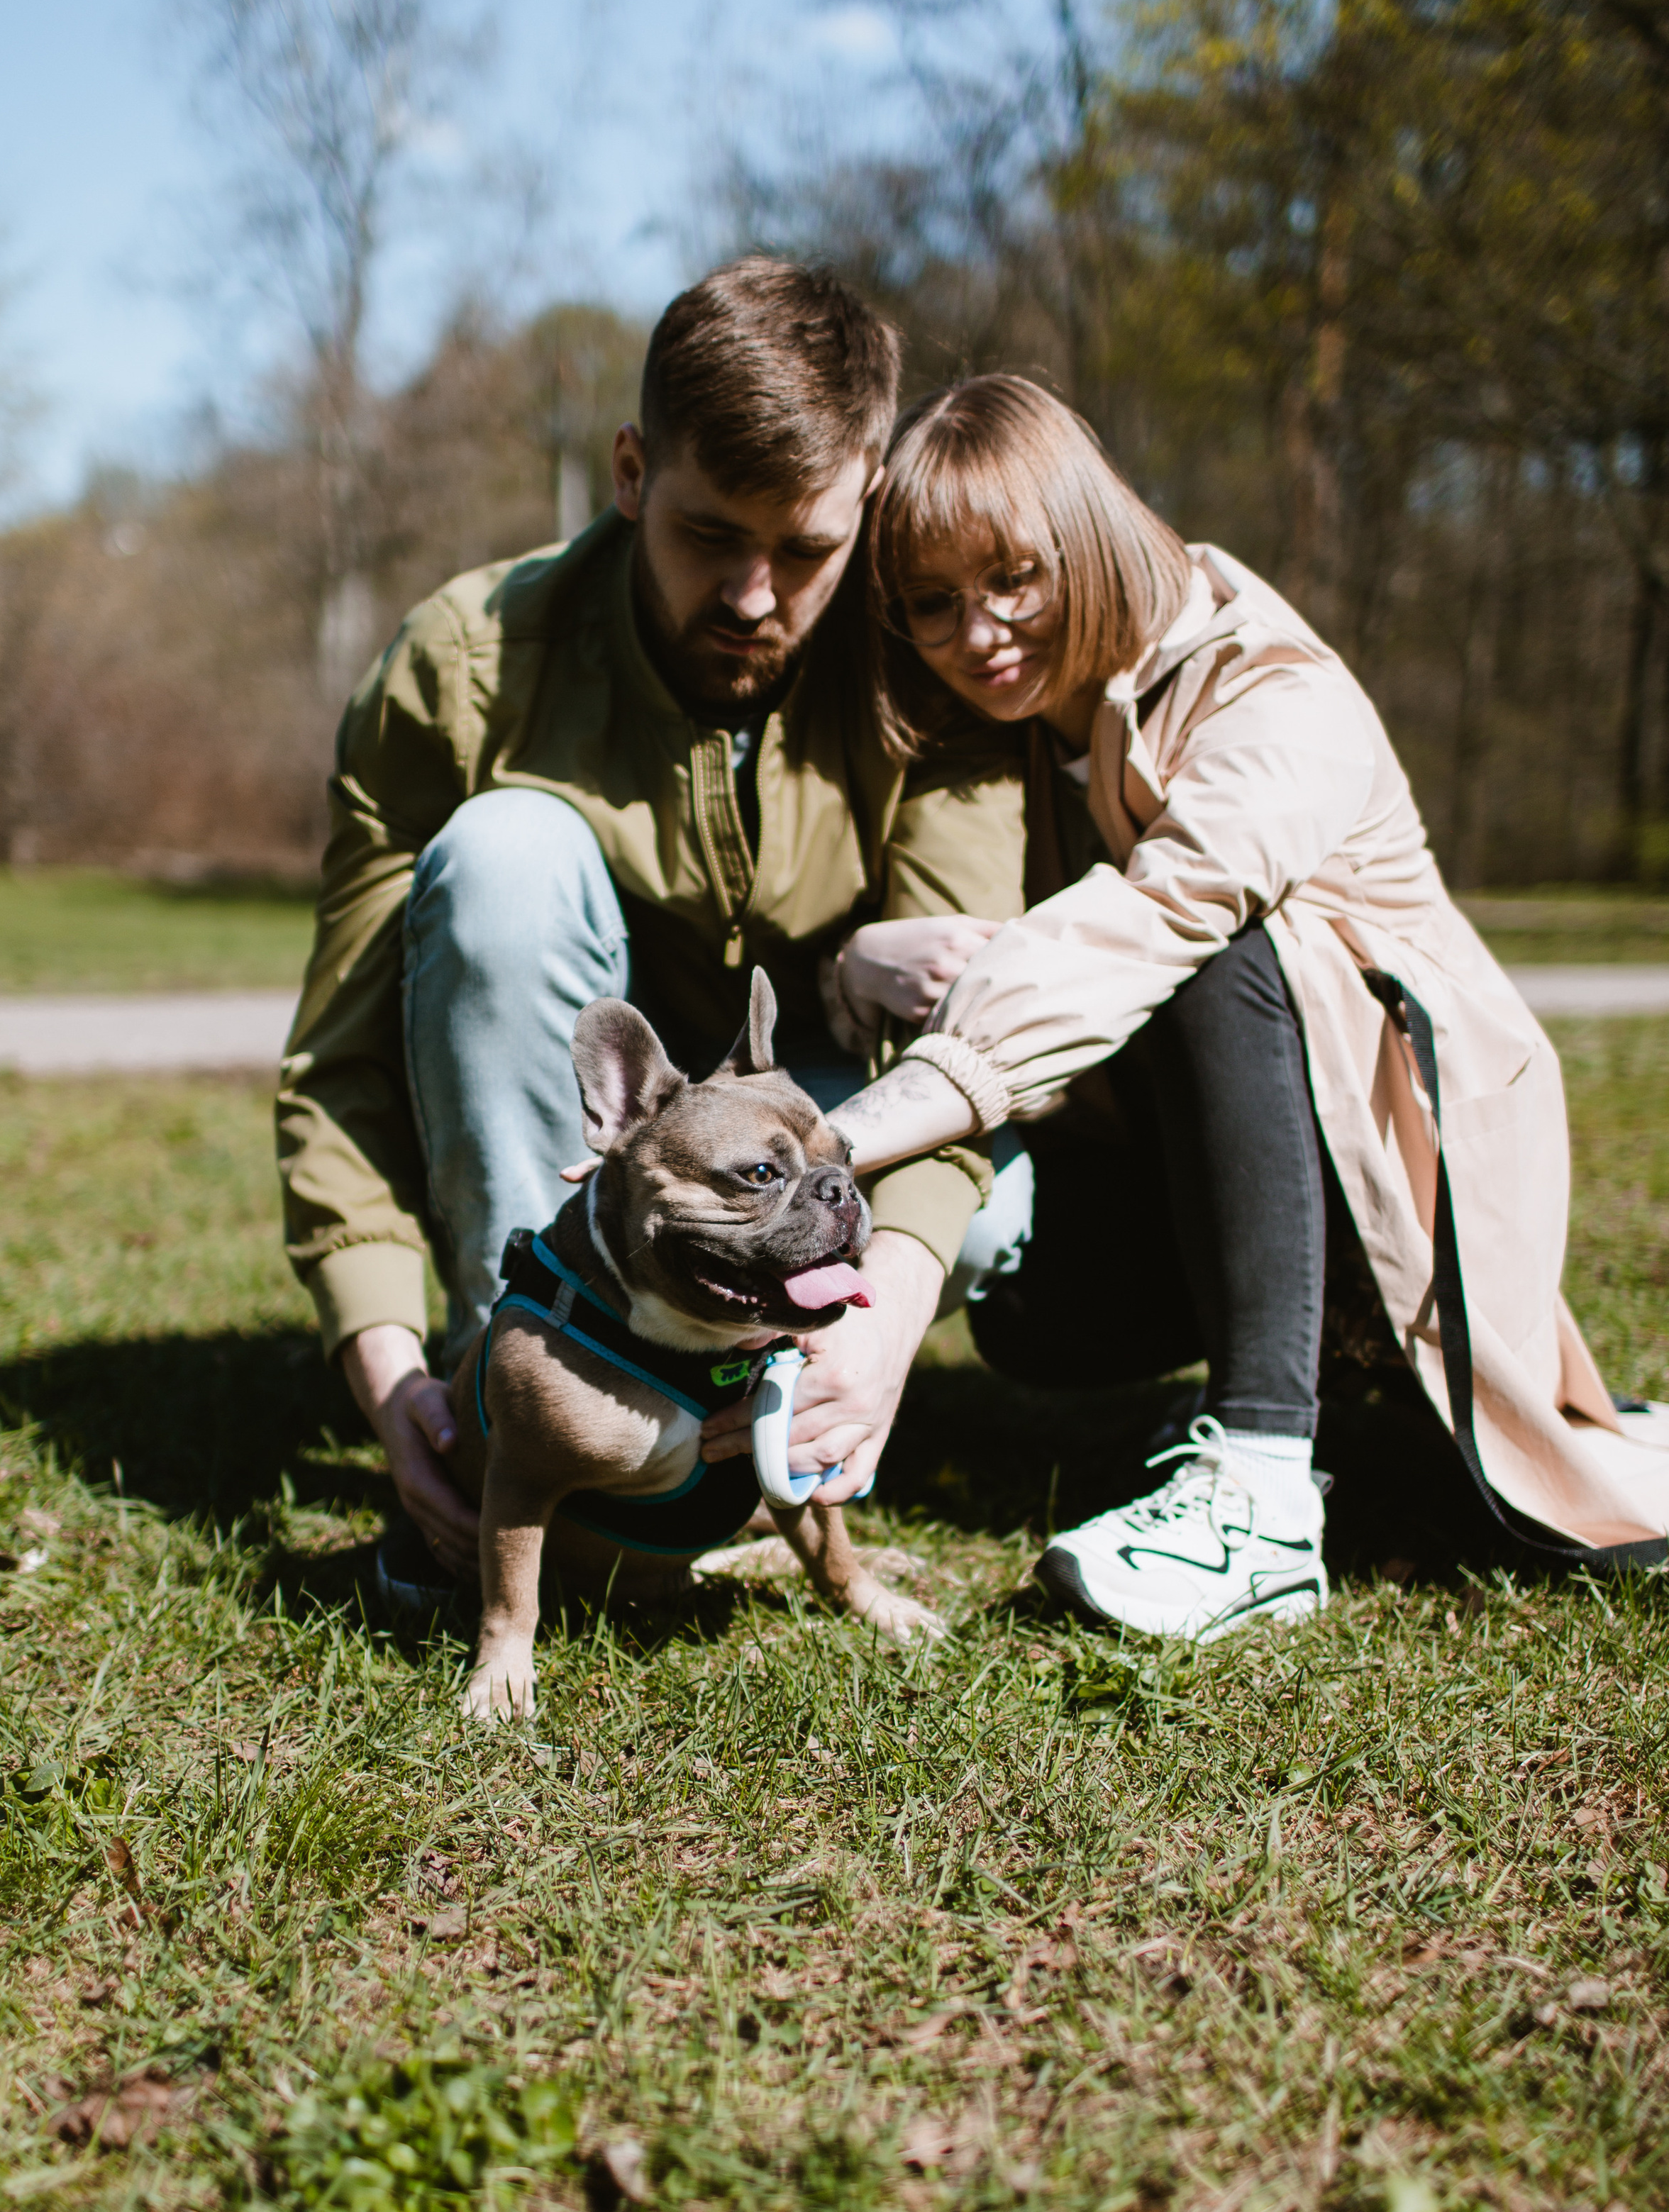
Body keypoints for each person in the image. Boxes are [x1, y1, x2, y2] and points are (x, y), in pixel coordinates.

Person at [824, 374, 1669, 1640]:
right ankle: (1313, 1388)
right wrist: (854, 963)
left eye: (1014, 579)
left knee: (1212, 941)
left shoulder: (1272, 694)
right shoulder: (1011, 728)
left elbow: (1160, 918)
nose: (980, 633)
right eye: (934, 605)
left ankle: (1265, 1486)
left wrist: (847, 1139)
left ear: (1088, 533)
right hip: (1184, 1167)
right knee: (1033, 1323)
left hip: (1404, 1173)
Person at [276, 260, 1028, 1615]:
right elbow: (339, 1059)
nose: (752, 594)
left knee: (991, 1218)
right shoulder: (464, 663)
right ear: (631, 471)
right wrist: (386, 1377)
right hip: (586, 1160)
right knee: (504, 855)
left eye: (806, 551)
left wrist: (897, 1311)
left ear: (867, 501)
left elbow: (975, 1038)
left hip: (826, 1115)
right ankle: (533, 1405)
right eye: (708, 535)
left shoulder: (932, 660)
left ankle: (791, 1399)